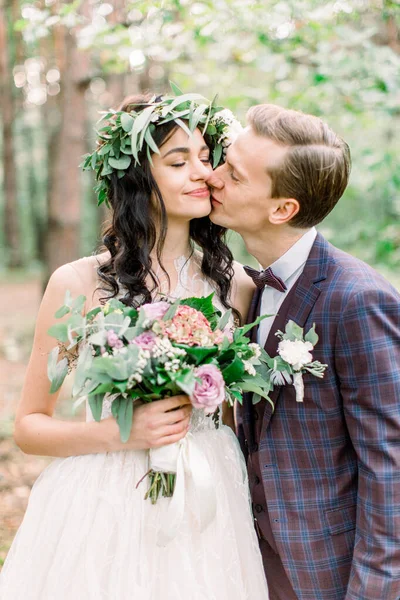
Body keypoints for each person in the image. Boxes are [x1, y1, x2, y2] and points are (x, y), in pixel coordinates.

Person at [0, 93, 269, 600]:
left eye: (206, 158)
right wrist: (124, 433)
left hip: (210, 495)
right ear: (137, 178)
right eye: (178, 160)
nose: (201, 172)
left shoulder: (238, 288)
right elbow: (28, 428)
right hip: (103, 497)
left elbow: (237, 421)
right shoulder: (78, 283)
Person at [207, 104, 400, 600]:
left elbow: (391, 467)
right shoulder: (241, 289)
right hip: (245, 561)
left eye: (234, 174)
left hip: (324, 574)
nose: (213, 177)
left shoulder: (358, 300)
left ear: (281, 209)